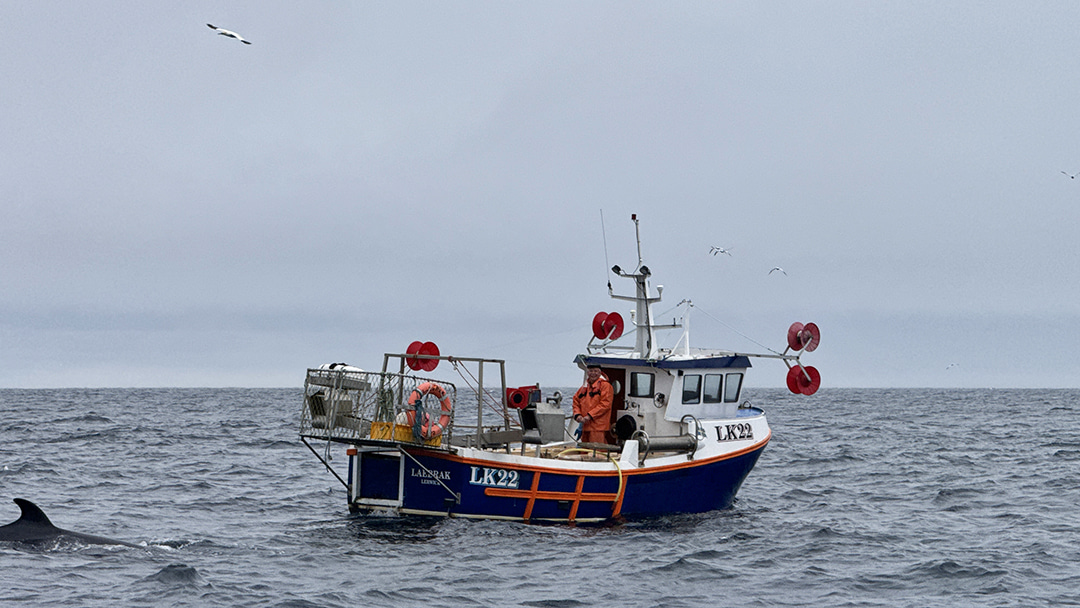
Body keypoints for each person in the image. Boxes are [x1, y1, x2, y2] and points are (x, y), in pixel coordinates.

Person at [572, 364, 613, 444]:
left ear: (600, 373)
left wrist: (590, 416)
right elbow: (575, 401)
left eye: (595, 371)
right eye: (591, 371)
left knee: (597, 451)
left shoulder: (606, 386)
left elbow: (605, 404)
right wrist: (578, 415)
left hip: (598, 427)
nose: (593, 373)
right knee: (584, 451)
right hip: (585, 426)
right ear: (587, 372)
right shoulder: (584, 387)